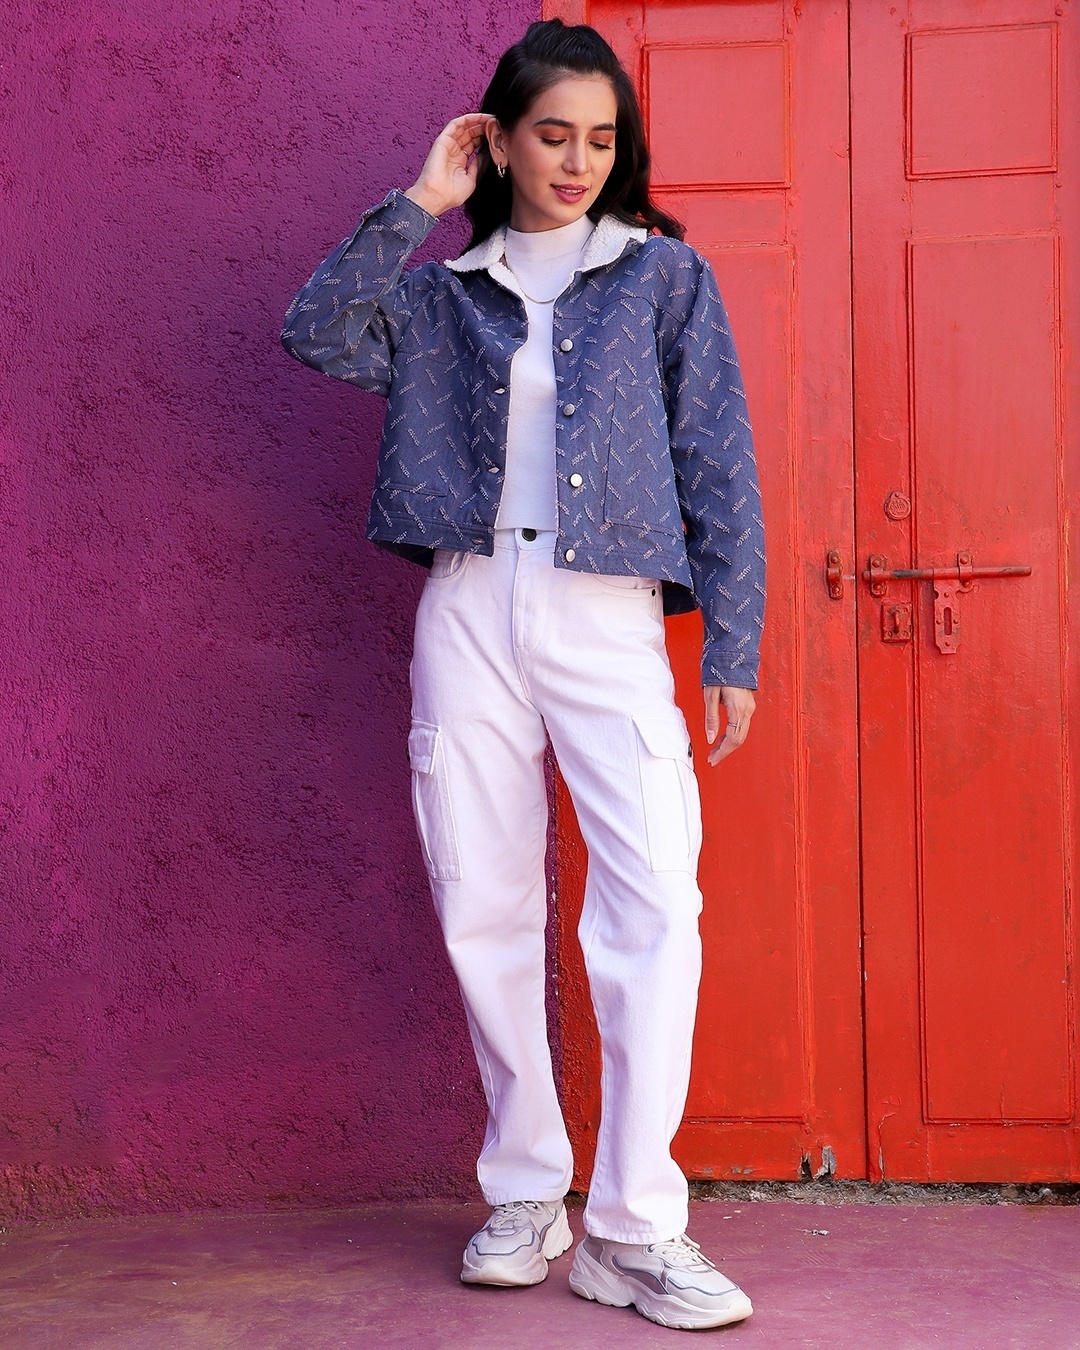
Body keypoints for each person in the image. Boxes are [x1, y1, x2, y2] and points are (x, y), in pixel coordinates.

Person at [282, 18, 764, 1333]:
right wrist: (423, 202)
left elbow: (720, 458)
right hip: (470, 604)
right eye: (552, 133)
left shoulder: (664, 279)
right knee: (483, 898)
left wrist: (733, 638)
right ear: (499, 138)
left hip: (607, 614)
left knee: (657, 899)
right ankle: (526, 1185)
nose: (578, 161)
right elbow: (316, 332)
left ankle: (632, 1225)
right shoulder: (444, 292)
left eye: (601, 138)